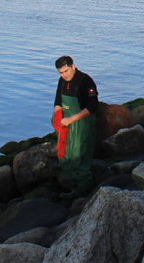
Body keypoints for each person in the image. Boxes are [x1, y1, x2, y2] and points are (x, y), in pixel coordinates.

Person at [53, 56, 98, 197]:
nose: (65, 75)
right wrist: (57, 117)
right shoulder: (62, 81)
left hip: (81, 122)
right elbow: (58, 101)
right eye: (61, 72)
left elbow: (92, 106)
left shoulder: (86, 81)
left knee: (78, 156)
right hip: (65, 123)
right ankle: (74, 186)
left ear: (73, 66)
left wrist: (72, 119)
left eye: (66, 71)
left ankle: (84, 190)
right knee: (65, 155)